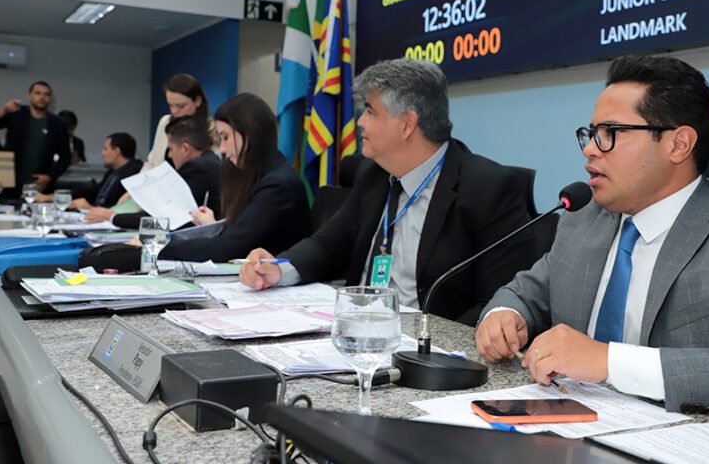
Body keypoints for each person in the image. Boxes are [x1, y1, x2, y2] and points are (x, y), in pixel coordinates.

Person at [475, 55, 709, 425]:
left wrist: (609, 361)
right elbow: (529, 291)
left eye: (611, 132)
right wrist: (505, 315)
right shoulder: (585, 216)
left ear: (678, 144)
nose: (590, 149)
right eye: (591, 133)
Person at [238, 58, 539, 325]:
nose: (360, 122)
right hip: (359, 330)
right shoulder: (374, 175)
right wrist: (278, 269)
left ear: (407, 125)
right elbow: (328, 244)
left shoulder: (487, 189)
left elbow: (498, 303)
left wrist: (425, 344)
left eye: (370, 111)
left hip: (428, 350)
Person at [151, 93, 310, 262]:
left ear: (250, 133)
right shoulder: (260, 175)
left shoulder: (278, 186)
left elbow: (229, 247)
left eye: (225, 137)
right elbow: (240, 236)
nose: (223, 149)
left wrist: (157, 246)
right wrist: (212, 226)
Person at [89, 116, 222, 228]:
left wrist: (112, 217)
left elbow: (164, 220)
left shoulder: (197, 168)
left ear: (185, 149)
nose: (169, 155)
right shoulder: (210, 162)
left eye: (171, 149)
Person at [0, 81, 70, 190]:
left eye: (46, 94)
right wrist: (4, 110)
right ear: (29, 96)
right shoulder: (16, 114)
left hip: (39, 183)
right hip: (10, 179)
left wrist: (50, 177)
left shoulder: (58, 124)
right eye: (38, 93)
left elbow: (65, 157)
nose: (42, 97)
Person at [142, 73, 217, 172]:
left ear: (197, 101)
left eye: (181, 106)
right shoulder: (165, 122)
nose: (174, 111)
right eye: (170, 105)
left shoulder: (212, 129)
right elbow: (152, 162)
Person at [55, 133, 143, 209]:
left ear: (117, 152)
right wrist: (61, 196)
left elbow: (121, 209)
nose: (102, 153)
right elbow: (93, 190)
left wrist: (89, 208)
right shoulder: (113, 172)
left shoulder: (134, 175)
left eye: (105, 149)